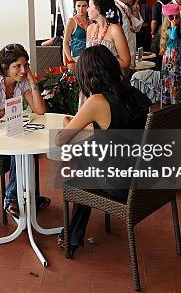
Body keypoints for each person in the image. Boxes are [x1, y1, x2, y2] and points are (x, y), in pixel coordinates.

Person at [55, 46, 151, 256]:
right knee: (89, 161)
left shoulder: (97, 101)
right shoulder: (134, 93)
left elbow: (61, 139)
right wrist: (94, 126)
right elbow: (121, 126)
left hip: (123, 186)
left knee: (83, 168)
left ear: (88, 74)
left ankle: (71, 235)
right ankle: (71, 235)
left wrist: (66, 122)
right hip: (147, 180)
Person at [0, 43, 48, 217]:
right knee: (20, 150)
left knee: (27, 147)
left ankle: (30, 197)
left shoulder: (21, 84)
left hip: (8, 137)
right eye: (17, 66)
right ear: (5, 67)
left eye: (25, 65)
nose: (22, 70)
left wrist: (32, 80)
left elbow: (40, 110)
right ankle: (12, 199)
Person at [84, 0, 130, 69]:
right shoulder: (90, 28)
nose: (87, 9)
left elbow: (126, 62)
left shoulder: (115, 29)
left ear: (98, 9)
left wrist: (101, 61)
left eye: (89, 6)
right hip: (92, 77)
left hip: (110, 77)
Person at [113, 0, 144, 68]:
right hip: (120, 63)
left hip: (130, 60)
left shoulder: (126, 8)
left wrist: (134, 10)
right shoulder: (113, 10)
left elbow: (137, 28)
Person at [159, 3, 181, 104]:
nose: (176, 19)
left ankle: (172, 97)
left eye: (177, 17)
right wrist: (173, 27)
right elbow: (173, 37)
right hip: (171, 56)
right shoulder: (170, 30)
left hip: (174, 55)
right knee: (171, 75)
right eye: (172, 17)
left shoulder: (173, 29)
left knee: (174, 75)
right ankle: (171, 98)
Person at [62, 0, 90, 71]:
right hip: (76, 59)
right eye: (78, 6)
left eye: (84, 6)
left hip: (90, 59)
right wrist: (70, 60)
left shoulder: (91, 20)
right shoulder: (72, 21)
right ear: (75, 6)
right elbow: (65, 42)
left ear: (88, 6)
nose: (81, 9)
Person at [150, 0, 172, 67]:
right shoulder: (172, 2)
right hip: (172, 30)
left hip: (160, 31)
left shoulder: (156, 5)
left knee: (156, 53)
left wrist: (152, 33)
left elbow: (154, 21)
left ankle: (158, 71)